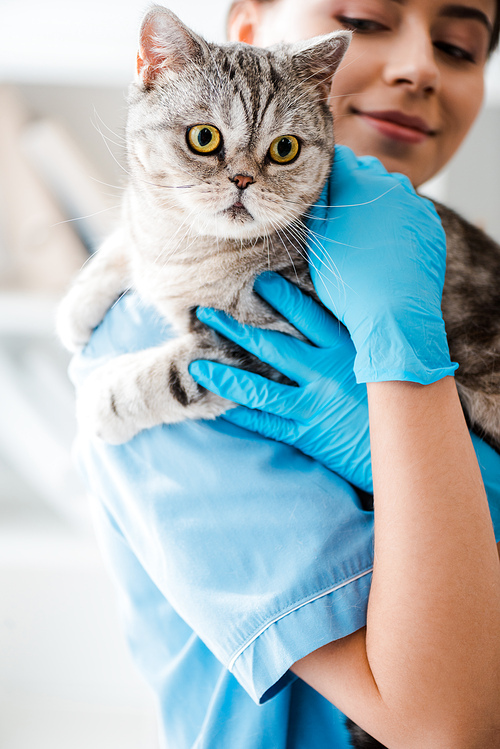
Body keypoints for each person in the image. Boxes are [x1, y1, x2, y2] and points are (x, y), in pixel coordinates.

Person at [70, 1, 500, 747]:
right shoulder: (140, 338)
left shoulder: (408, 248)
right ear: (248, 28)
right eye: (365, 20)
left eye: (460, 46)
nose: (417, 67)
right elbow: (447, 721)